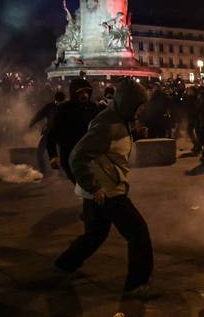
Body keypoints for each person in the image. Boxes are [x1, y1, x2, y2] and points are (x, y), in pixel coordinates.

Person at [54, 79, 157, 299]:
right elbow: (77, 156)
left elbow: (111, 147)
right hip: (107, 190)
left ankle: (64, 264)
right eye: (138, 105)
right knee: (138, 232)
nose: (141, 110)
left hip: (102, 189)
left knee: (96, 234)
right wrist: (94, 186)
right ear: (128, 103)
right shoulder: (107, 124)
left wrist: (136, 135)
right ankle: (137, 283)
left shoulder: (118, 120)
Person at [46, 79, 101, 184]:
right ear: (74, 93)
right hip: (71, 156)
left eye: (86, 92)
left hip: (90, 156)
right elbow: (52, 133)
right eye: (80, 92)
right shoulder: (65, 110)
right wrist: (53, 156)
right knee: (86, 188)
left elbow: (101, 128)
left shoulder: (93, 108)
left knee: (94, 191)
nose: (84, 95)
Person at [29, 91, 66, 175]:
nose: (59, 104)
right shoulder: (50, 106)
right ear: (55, 100)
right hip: (50, 132)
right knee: (40, 151)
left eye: (61, 102)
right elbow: (40, 114)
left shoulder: (67, 107)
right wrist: (32, 122)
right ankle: (43, 171)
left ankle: (63, 171)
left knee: (64, 153)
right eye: (57, 102)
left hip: (63, 134)